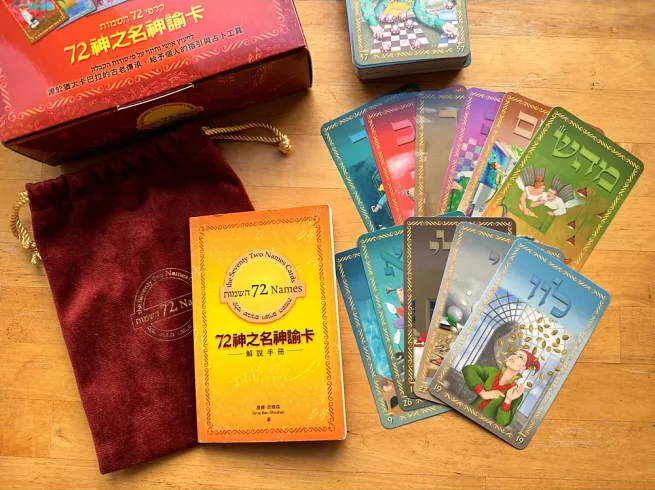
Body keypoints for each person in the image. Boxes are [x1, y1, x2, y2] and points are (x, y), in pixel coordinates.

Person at [461, 349, 540, 427]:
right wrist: (482, 392)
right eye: (515, 353)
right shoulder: (492, 372)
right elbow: (468, 369)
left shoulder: (517, 393)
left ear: (523, 367)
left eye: (520, 357)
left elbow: (502, 423)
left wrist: (508, 400)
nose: (514, 356)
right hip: (464, 416)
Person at [360, 0, 458, 40]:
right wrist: (373, 22)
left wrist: (442, 23)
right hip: (375, 24)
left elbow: (421, 13)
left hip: (399, 26)